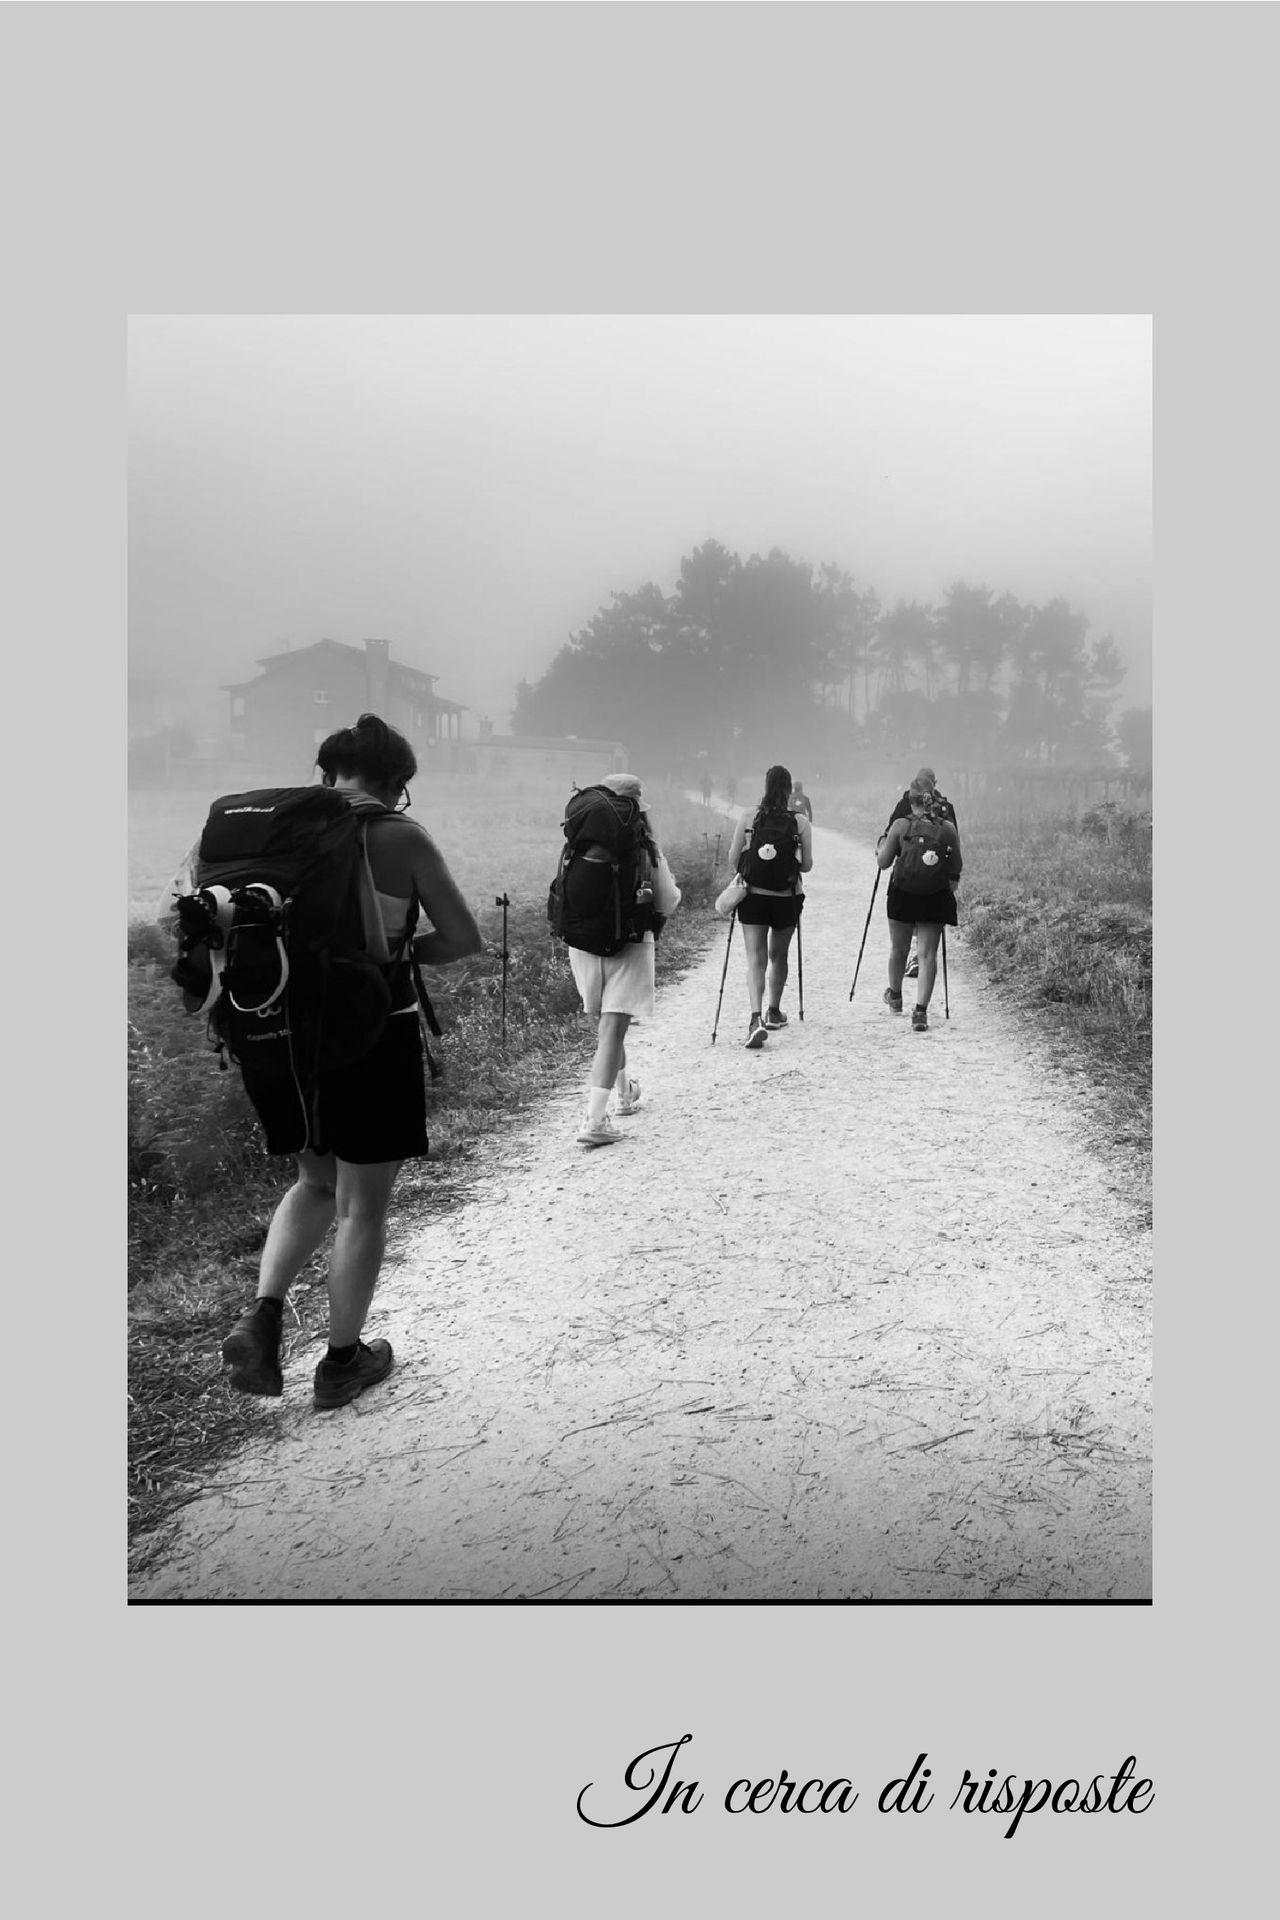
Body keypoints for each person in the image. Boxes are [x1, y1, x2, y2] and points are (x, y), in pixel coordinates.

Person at [204, 714, 483, 1408]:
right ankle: (340, 1362)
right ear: (397, 782)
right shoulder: (398, 835)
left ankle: (263, 1315)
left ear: (328, 773)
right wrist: (396, 954)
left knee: (314, 1181)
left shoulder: (270, 833)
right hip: (372, 1033)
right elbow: (462, 937)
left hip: (272, 1031)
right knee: (362, 1207)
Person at [567, 773, 682, 1148]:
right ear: (636, 808)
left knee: (606, 1028)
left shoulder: (579, 841)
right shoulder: (645, 846)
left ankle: (625, 1093)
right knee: (612, 1031)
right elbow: (667, 901)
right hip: (629, 945)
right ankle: (595, 1120)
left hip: (583, 943)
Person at [726, 763, 814, 1048]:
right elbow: (807, 865)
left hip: (753, 896)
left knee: (756, 958)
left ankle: (755, 1019)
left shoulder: (748, 816)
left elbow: (732, 859)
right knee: (779, 955)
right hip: (787, 898)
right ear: (789, 790)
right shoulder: (800, 822)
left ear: (766, 787)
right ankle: (774, 1011)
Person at [876, 778, 962, 1031]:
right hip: (935, 896)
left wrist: (881, 846)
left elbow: (883, 862)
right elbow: (956, 867)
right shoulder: (947, 829)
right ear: (933, 798)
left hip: (902, 894)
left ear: (909, 800)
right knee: (927, 954)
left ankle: (895, 997)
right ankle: (921, 1012)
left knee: (898, 949)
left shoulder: (900, 825)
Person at [883, 768, 958, 976]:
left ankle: (896, 988)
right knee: (929, 940)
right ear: (935, 784)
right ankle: (919, 958)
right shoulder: (946, 808)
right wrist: (953, 876)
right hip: (937, 880)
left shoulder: (904, 804)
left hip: (905, 877)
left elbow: (890, 832)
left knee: (899, 942)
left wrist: (883, 845)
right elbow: (953, 842)